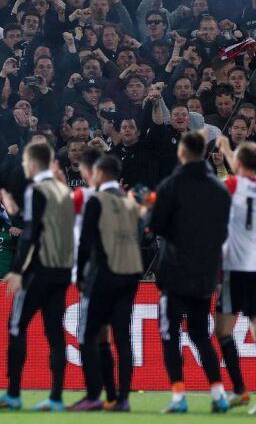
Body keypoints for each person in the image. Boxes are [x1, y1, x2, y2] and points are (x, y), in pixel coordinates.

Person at [0, 140, 74, 412]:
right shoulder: (64, 191)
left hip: (38, 270)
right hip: (62, 269)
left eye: (25, 162)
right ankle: (56, 397)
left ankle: (13, 394)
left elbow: (31, 233)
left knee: (17, 326)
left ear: (33, 163)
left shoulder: (36, 190)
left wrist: (16, 270)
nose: (24, 167)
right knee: (55, 334)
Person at [148, 130, 232, 413]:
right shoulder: (220, 189)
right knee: (200, 334)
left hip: (174, 273)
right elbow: (223, 232)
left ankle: (178, 396)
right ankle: (219, 394)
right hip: (206, 273)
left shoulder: (172, 185)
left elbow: (156, 227)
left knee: (170, 333)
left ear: (182, 153)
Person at [70, 154, 142, 412]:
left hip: (104, 273)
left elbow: (85, 242)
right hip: (131, 273)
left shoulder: (96, 200)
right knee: (121, 337)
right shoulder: (130, 201)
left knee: (88, 334)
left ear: (99, 172)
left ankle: (93, 395)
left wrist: (79, 276)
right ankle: (119, 397)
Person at [215, 134, 256, 414]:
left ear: (238, 163)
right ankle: (241, 391)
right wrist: (230, 151)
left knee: (222, 331)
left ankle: (240, 389)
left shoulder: (230, 184)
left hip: (235, 269)